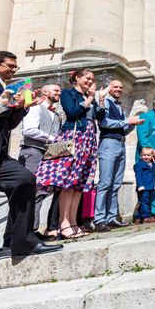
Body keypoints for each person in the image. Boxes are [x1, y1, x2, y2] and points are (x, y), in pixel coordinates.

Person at [0, 41, 62, 260]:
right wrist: (4, 103)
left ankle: (23, 241)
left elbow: (5, 123)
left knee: (24, 179)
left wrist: (20, 108)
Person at [35, 68, 106, 239]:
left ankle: (74, 222)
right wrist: (89, 98)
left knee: (79, 184)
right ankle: (63, 223)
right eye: (87, 78)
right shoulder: (68, 93)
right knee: (68, 182)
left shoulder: (88, 97)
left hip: (89, 139)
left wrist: (100, 99)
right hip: (74, 138)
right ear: (77, 78)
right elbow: (72, 113)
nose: (90, 81)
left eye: (92, 79)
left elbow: (100, 116)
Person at [94, 80, 143, 232]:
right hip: (108, 144)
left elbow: (122, 129)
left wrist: (132, 125)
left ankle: (111, 217)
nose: (119, 89)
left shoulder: (119, 107)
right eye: (115, 87)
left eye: (121, 87)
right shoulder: (106, 103)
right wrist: (126, 121)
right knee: (105, 183)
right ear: (109, 89)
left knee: (116, 183)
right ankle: (99, 219)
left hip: (120, 144)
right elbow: (103, 123)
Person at [19, 84, 62, 238]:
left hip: (48, 153)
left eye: (59, 90)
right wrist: (53, 139)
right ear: (44, 92)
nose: (59, 92)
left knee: (41, 192)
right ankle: (25, 231)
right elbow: (28, 130)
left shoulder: (56, 114)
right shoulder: (36, 108)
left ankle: (33, 230)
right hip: (33, 152)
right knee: (31, 190)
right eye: (55, 90)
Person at [134, 147, 155, 224]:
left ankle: (138, 218)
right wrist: (140, 185)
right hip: (143, 187)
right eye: (144, 155)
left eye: (148, 155)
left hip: (150, 186)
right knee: (144, 203)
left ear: (152, 156)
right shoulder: (139, 165)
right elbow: (138, 176)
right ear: (140, 155)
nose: (146, 157)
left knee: (144, 202)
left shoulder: (151, 164)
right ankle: (146, 217)